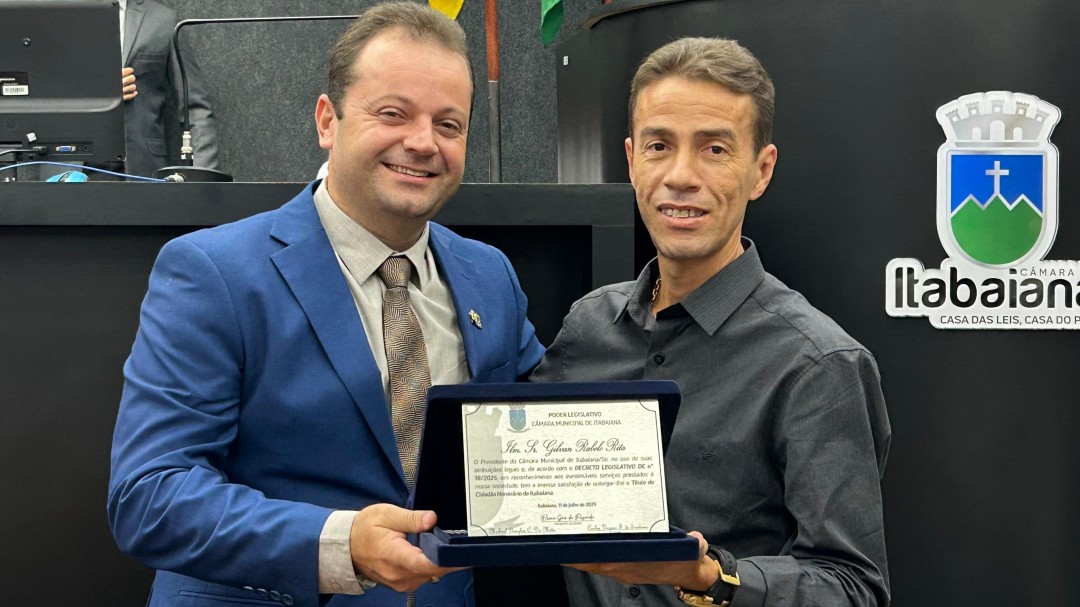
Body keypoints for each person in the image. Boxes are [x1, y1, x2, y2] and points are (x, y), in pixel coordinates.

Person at [107, 3, 543, 607]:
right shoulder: (214, 273)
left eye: (449, 124)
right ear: (327, 121)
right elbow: (150, 497)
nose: (423, 142)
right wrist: (341, 544)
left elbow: (545, 432)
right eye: (393, 114)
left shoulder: (489, 275)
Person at [531, 37, 891, 606]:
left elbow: (853, 589)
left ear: (760, 171)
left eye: (715, 149)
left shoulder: (818, 365)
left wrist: (707, 577)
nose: (681, 175)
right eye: (659, 146)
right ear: (632, 160)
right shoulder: (587, 328)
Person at [117, 0, 219, 176]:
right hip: (73, 166)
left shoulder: (162, 20)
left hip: (142, 169)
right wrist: (101, 91)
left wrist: (203, 179)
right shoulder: (63, 15)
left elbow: (195, 108)